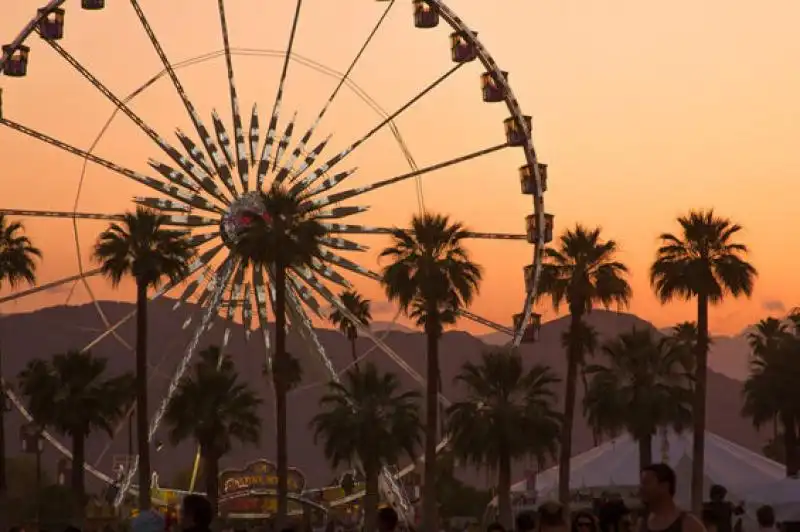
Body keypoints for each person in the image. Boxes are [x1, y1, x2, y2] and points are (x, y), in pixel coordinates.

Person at [638, 463, 705, 532]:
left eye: (646, 483)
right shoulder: (642, 524)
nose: (641, 488)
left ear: (664, 486)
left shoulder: (689, 524)